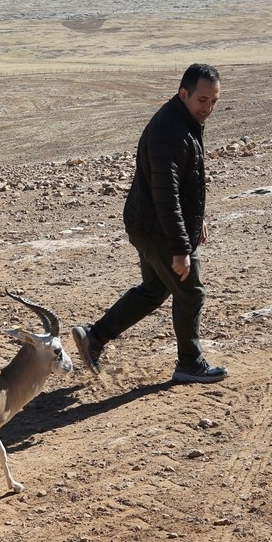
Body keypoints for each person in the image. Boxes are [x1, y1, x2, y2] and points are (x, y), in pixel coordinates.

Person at [72, 63, 228, 384]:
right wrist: (180, 248)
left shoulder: (183, 120)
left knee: (154, 289)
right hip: (158, 229)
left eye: (214, 101)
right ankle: (189, 363)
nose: (208, 108)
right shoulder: (170, 132)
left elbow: (186, 184)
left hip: (148, 225)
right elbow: (166, 195)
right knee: (191, 294)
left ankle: (94, 337)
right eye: (202, 100)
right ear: (183, 93)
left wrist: (196, 221)